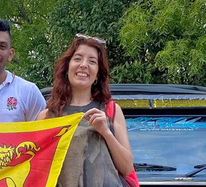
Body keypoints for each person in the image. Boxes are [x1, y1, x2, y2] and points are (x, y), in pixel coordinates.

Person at [36, 34, 134, 187]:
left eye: (92, 61)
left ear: (97, 75)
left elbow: (127, 168)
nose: (83, 65)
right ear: (66, 68)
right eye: (77, 58)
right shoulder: (47, 116)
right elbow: (36, 169)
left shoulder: (111, 110)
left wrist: (106, 132)